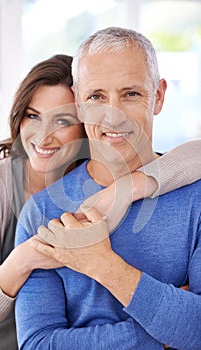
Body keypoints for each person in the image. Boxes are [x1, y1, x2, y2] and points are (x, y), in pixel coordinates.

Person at [15, 27, 201, 350]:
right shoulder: (43, 212)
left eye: (130, 94)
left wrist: (104, 265)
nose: (112, 116)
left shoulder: (195, 198)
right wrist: (166, 332)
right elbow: (37, 345)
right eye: (96, 97)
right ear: (78, 102)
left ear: (158, 96)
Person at [0, 54, 87, 350]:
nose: (43, 137)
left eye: (62, 120)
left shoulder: (103, 184)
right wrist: (26, 257)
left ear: (86, 127)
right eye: (33, 116)